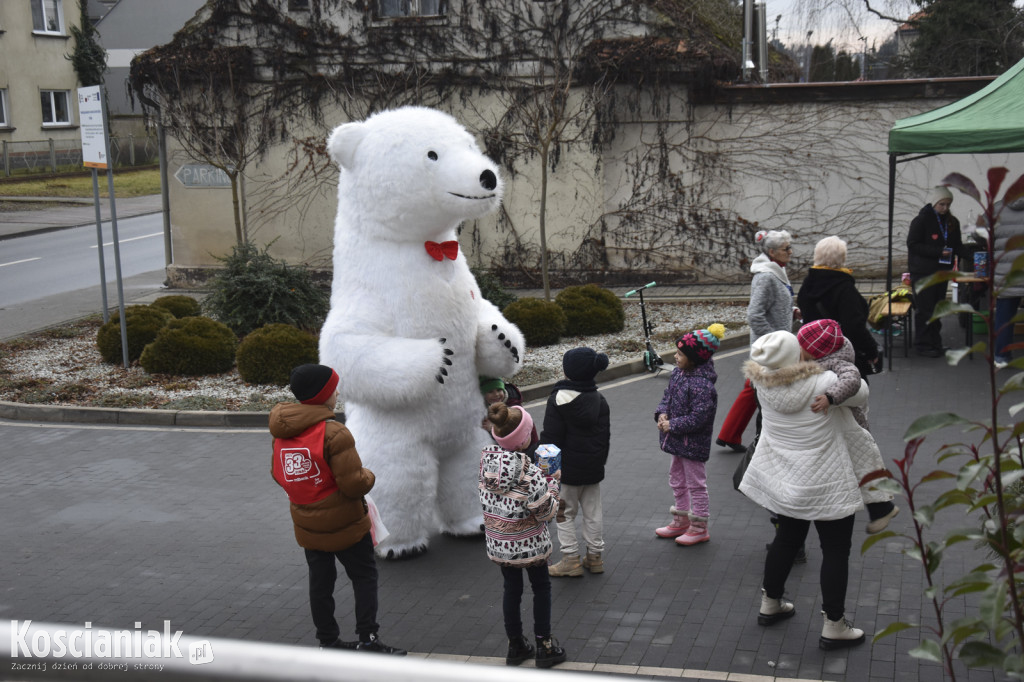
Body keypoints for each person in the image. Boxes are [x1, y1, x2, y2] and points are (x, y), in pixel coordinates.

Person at [738, 331, 868, 650]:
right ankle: (834, 625)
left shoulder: (761, 383)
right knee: (836, 550)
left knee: (786, 540)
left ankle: (771, 604)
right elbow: (861, 391)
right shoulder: (824, 383)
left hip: (788, 482)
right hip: (829, 483)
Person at [269, 364, 406, 655]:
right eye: (333, 389)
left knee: (321, 584)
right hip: (346, 524)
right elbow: (354, 485)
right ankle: (368, 639)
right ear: (323, 395)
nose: (338, 392)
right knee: (364, 577)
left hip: (307, 525)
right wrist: (369, 474)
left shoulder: (282, 432)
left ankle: (328, 641)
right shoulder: (334, 432)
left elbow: (279, 475)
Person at [481, 402, 567, 668]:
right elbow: (546, 512)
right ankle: (544, 644)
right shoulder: (529, 470)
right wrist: (552, 481)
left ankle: (516, 644)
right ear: (525, 438)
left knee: (512, 589)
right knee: (540, 587)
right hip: (530, 544)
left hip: (500, 544)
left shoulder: (487, 462)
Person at [797, 319, 899, 534]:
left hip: (851, 423)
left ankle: (882, 508)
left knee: (860, 466)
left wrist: (830, 397)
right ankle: (882, 508)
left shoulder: (838, 363)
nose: (798, 350)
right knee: (859, 467)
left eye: (802, 346)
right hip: (841, 425)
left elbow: (853, 380)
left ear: (817, 351)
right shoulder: (826, 357)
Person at [717, 229, 799, 452]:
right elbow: (754, 315)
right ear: (771, 252)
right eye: (786, 249)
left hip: (772, 345)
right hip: (771, 347)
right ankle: (737, 435)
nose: (791, 252)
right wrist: (775, 339)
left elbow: (774, 306)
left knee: (752, 387)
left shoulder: (776, 271)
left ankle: (729, 434)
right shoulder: (765, 276)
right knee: (756, 388)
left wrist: (791, 311)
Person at [542, 347, 611, 577]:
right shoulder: (600, 400)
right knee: (593, 513)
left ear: (568, 371)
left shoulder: (557, 400)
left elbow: (550, 439)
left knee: (564, 514)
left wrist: (547, 471)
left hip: (566, 473)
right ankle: (595, 557)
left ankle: (570, 559)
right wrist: (598, 465)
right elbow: (604, 438)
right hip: (592, 470)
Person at [654, 325, 724, 545]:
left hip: (692, 444)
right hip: (676, 440)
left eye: (680, 354)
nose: (675, 357)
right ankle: (681, 519)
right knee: (676, 479)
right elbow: (667, 397)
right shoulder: (678, 374)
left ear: (695, 358)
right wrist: (662, 413)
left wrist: (672, 425)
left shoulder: (703, 386)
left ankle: (699, 525)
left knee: (696, 484)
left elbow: (699, 418)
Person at [797, 236, 880, 378]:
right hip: (840, 356)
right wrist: (871, 350)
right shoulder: (844, 288)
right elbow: (854, 326)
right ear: (842, 258)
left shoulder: (808, 283)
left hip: (811, 352)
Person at [907, 186, 964, 358]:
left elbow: (957, 246)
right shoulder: (921, 221)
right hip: (923, 272)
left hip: (942, 272)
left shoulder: (952, 223)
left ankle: (935, 342)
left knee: (938, 308)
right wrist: (938, 251)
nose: (945, 208)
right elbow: (913, 244)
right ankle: (923, 344)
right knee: (926, 309)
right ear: (934, 203)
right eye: (941, 204)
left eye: (948, 204)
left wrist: (975, 256)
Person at [980, 198, 1024, 368]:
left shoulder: (996, 209)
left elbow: (980, 232)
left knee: (1004, 317)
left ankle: (1001, 357)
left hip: (1005, 275)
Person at [480, 376, 538, 458]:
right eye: (490, 391)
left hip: (523, 452)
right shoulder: (480, 410)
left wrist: (492, 429)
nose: (496, 394)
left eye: (499, 390)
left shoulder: (514, 406)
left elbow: (511, 437)